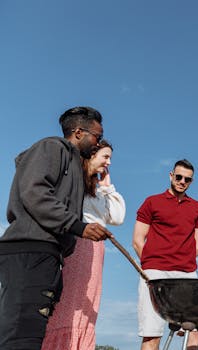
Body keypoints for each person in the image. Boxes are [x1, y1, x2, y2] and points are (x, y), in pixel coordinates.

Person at [0, 106, 112, 349]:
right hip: (29, 250)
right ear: (79, 132)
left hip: (50, 254)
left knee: (32, 335)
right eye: (97, 136)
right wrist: (77, 226)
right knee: (20, 335)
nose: (98, 143)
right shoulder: (50, 147)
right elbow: (35, 192)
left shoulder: (75, 166)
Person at [42, 140, 126, 350]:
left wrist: (107, 186)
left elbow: (117, 217)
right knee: (70, 302)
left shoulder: (98, 188)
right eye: (105, 157)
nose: (108, 163)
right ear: (91, 155)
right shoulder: (73, 181)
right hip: (77, 244)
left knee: (89, 302)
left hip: (96, 250)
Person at [132, 159, 198, 350]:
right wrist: (150, 266)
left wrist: (183, 260)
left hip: (186, 274)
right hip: (155, 274)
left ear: (191, 182)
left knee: (195, 329)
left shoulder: (197, 207)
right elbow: (138, 239)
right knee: (152, 333)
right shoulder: (152, 202)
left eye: (187, 179)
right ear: (171, 175)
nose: (182, 181)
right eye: (179, 177)